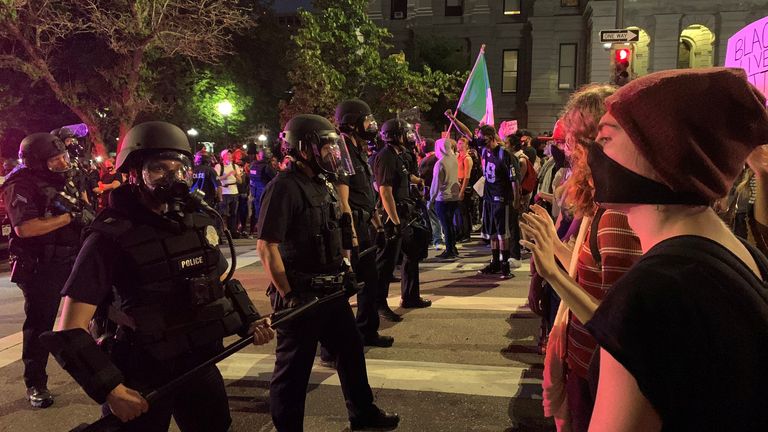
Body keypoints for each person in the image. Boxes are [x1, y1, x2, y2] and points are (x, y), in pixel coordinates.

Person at [533, 68, 768, 430]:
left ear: (659, 152)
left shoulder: (650, 296)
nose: (590, 153)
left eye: (606, 138)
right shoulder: (739, 256)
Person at [47, 121, 275, 431]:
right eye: (158, 169)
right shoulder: (109, 235)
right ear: (133, 172)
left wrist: (250, 319)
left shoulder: (194, 221)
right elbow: (69, 326)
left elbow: (221, 280)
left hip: (199, 364)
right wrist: (111, 389)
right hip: (140, 372)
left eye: (178, 168)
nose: (173, 178)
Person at [257, 114, 399, 431]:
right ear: (305, 149)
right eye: (327, 148)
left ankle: (363, 413)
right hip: (301, 296)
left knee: (351, 352)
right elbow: (267, 246)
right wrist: (288, 295)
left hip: (330, 292)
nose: (333, 155)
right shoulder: (283, 188)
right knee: (293, 374)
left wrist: (346, 264)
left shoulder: (322, 184)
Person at [520, 84, 643, 432]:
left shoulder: (617, 215)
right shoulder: (602, 202)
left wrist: (553, 273)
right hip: (584, 363)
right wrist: (554, 247)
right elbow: (590, 269)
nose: (566, 149)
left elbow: (614, 321)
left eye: (572, 139)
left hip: (600, 373)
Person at [0, 133, 93, 408]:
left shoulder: (69, 176)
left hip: (76, 256)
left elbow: (85, 203)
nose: (63, 162)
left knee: (98, 312)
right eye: (55, 159)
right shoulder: (20, 184)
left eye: (64, 155)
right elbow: (25, 228)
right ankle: (36, 383)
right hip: (43, 265)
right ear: (38, 163)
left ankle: (101, 370)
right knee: (40, 325)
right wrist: (69, 217)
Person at [334, 99, 393, 347]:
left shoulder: (358, 151)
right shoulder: (341, 152)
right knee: (345, 287)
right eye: (366, 120)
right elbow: (343, 199)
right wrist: (351, 236)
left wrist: (378, 224)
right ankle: (336, 344)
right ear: (351, 123)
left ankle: (367, 332)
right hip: (353, 227)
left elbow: (367, 194)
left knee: (370, 281)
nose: (371, 125)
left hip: (366, 223)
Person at [374, 118, 432, 319]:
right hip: (394, 216)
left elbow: (406, 177)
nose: (409, 137)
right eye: (405, 134)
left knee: (412, 255)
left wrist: (419, 181)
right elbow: (385, 191)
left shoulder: (400, 156)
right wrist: (395, 221)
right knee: (387, 264)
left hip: (406, 213)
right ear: (395, 136)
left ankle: (410, 296)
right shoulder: (386, 157)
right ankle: (379, 305)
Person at [477, 125, 519, 279]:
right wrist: (453, 119)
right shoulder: (484, 151)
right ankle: (494, 261)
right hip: (489, 198)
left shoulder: (504, 155)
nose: (482, 142)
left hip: (501, 198)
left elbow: (514, 180)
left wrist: (516, 200)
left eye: (484, 139)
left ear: (492, 137)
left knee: (503, 233)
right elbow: (467, 134)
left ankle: (505, 265)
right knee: (492, 232)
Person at [430, 138, 460, 259]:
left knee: (445, 225)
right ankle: (453, 247)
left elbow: (436, 183)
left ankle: (449, 250)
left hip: (443, 198)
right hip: (454, 197)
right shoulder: (454, 159)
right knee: (450, 224)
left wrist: (431, 198)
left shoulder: (440, 163)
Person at [249, 149, 276, 235]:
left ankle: (259, 231)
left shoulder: (253, 165)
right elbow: (275, 177)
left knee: (258, 212)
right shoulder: (267, 166)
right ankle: (265, 232)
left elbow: (251, 178)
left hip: (255, 191)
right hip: (265, 191)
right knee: (266, 211)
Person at [215, 149, 242, 234]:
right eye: (227, 155)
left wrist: (237, 175)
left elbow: (240, 181)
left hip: (234, 192)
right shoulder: (219, 166)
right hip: (224, 192)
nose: (230, 156)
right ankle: (222, 231)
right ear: (223, 156)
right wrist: (228, 174)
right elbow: (216, 178)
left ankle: (233, 231)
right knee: (223, 213)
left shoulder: (235, 166)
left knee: (233, 213)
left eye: (230, 155)